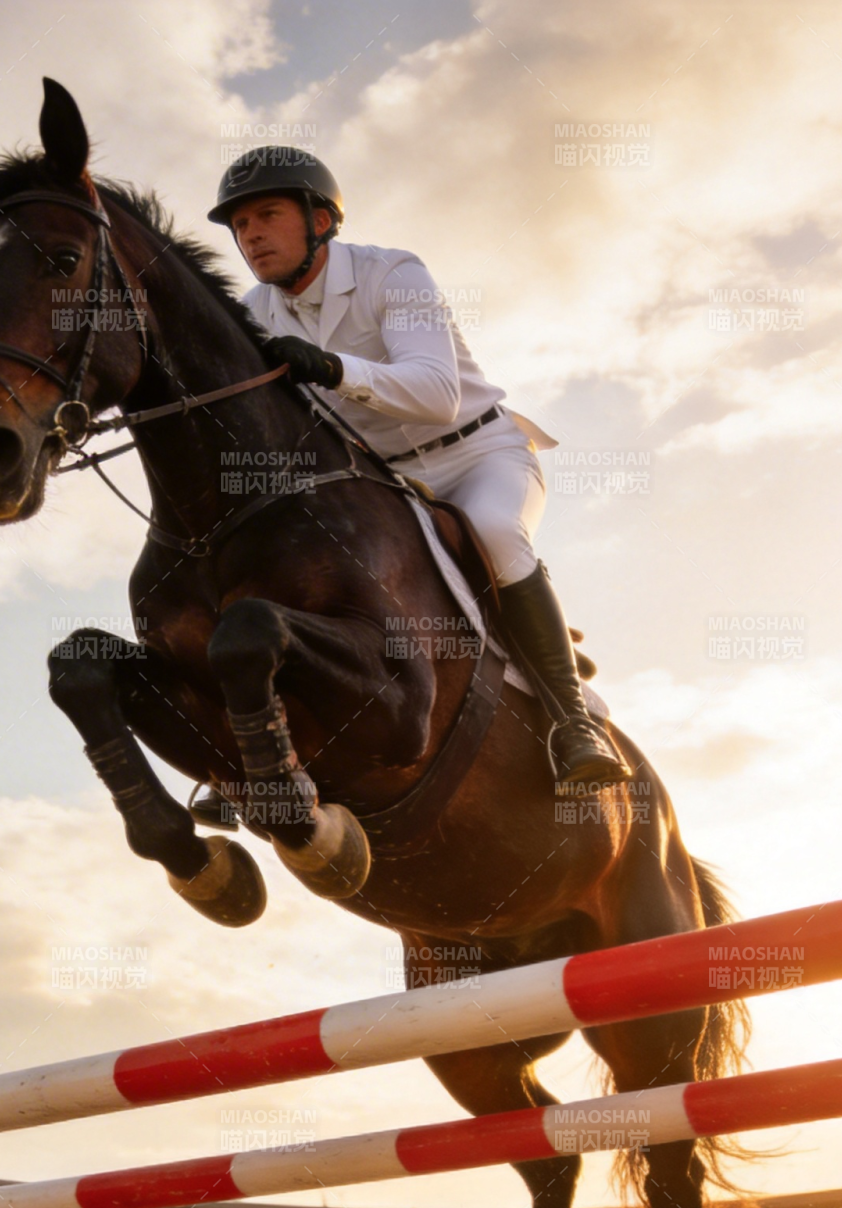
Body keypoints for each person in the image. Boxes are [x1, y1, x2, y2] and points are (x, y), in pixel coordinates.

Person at [200, 146, 632, 799]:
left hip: (479, 455)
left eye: (267, 214)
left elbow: (436, 393)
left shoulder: (393, 272)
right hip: (386, 482)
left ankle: (574, 724)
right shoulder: (253, 313)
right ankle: (245, 747)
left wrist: (331, 367)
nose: (252, 235)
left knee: (493, 530)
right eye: (240, 226)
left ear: (321, 218)